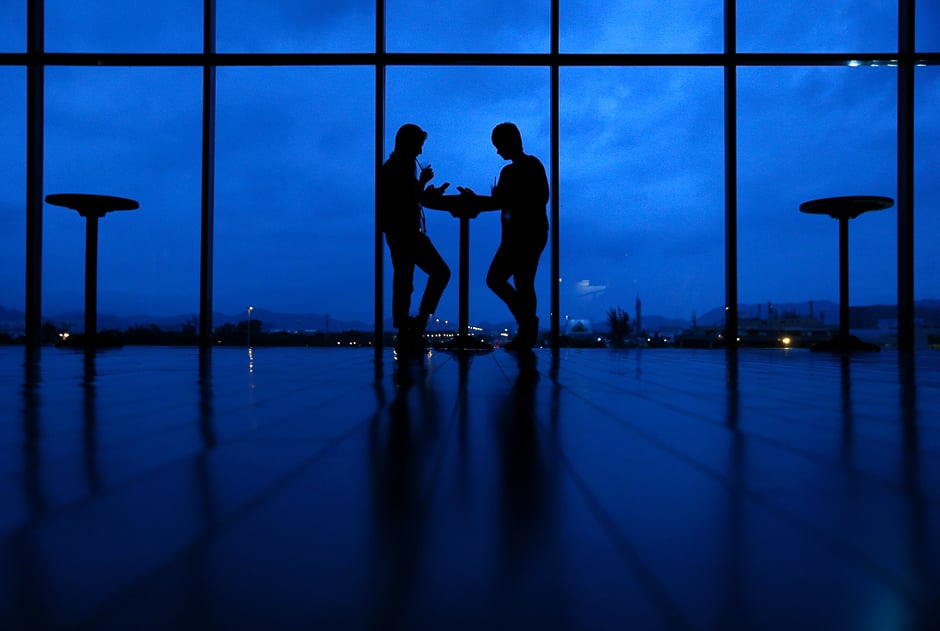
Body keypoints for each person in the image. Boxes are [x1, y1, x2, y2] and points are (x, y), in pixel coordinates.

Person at [456, 122, 549, 350]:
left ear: (510, 142)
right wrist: (481, 199)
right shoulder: (528, 166)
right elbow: (510, 201)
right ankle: (528, 326)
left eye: (498, 146)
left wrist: (485, 200)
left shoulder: (518, 169)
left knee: (507, 280)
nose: (498, 151)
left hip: (523, 235)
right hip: (527, 234)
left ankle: (527, 326)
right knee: (521, 282)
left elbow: (515, 200)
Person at [380, 124, 452, 352]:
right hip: (406, 231)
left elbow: (408, 197)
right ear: (410, 144)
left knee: (404, 279)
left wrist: (423, 187)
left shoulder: (395, 166)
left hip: (398, 231)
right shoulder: (399, 167)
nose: (420, 151)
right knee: (437, 272)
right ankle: (417, 324)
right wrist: (423, 184)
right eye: (419, 145)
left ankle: (407, 328)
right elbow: (407, 199)